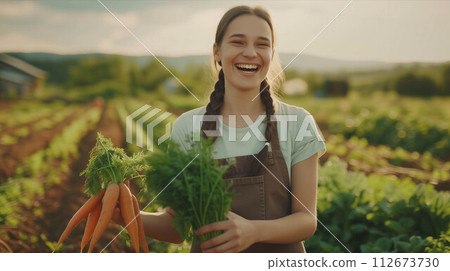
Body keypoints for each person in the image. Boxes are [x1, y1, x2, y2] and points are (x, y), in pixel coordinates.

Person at [115, 5, 325, 253]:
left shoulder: (298, 122)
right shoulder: (188, 127)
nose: (250, 53)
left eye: (262, 44)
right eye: (238, 42)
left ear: (271, 53)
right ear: (217, 52)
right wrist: (121, 214)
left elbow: (306, 220)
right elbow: (175, 227)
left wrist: (253, 231)